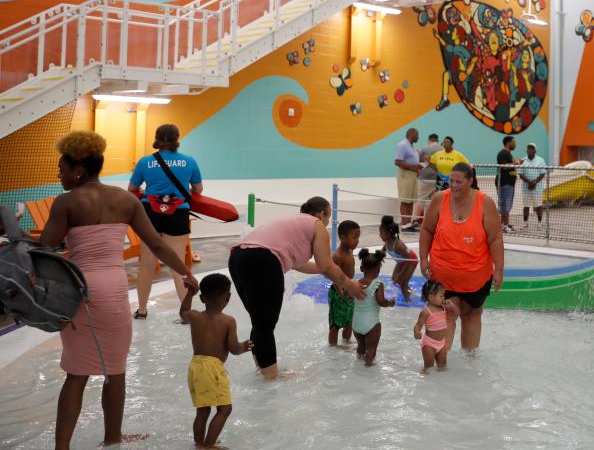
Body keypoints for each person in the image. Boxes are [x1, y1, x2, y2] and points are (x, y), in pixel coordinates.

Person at [40, 130, 198, 450]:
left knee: (76, 373)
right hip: (114, 290)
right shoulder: (126, 200)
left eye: (63, 169)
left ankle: (62, 447)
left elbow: (45, 249)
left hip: (79, 290)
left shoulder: (66, 202)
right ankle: (112, 438)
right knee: (116, 369)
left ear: (79, 170)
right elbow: (156, 243)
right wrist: (185, 273)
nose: (60, 174)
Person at [228, 197, 365, 379]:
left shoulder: (294, 222)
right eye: (328, 217)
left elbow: (301, 264)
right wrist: (350, 284)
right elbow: (326, 266)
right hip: (262, 260)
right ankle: (271, 377)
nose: (326, 223)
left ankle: (263, 369)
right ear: (322, 214)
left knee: (260, 321)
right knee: (265, 324)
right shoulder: (317, 226)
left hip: (238, 258)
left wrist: (332, 275)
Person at [419, 162, 504, 352]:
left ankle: (470, 361)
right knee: (445, 314)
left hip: (476, 276)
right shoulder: (439, 199)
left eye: (459, 182)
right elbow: (426, 230)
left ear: (470, 182)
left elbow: (495, 239)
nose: (454, 185)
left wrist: (498, 270)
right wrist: (423, 258)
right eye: (452, 181)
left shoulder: (485, 203)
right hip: (443, 275)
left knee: (472, 314)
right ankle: (443, 362)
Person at [128, 124, 203, 320]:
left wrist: (149, 191)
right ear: (177, 139)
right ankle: (185, 312)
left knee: (147, 264)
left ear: (157, 138)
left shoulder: (145, 162)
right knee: (178, 265)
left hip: (149, 214)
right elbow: (198, 190)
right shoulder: (189, 161)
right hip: (177, 213)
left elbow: (132, 188)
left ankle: (142, 310)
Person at [179, 273, 252, 448]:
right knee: (225, 409)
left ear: (203, 298)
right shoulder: (228, 321)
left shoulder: (195, 316)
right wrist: (244, 346)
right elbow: (233, 349)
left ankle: (199, 443)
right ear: (227, 297)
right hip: (213, 369)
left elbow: (182, 313)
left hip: (195, 366)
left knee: (203, 410)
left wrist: (190, 293)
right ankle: (208, 445)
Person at [352, 249, 395, 366]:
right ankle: (368, 373)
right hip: (371, 324)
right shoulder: (378, 284)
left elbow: (349, 297)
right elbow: (381, 301)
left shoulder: (355, 283)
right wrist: (390, 302)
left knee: (361, 348)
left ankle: (358, 368)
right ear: (379, 270)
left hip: (356, 323)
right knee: (371, 351)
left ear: (361, 269)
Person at [414, 279, 459, 373]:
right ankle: (424, 383)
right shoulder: (426, 311)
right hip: (429, 344)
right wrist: (417, 332)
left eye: (444, 295)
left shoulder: (444, 308)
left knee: (442, 367)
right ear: (431, 297)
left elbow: (456, 315)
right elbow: (418, 325)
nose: (444, 298)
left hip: (442, 344)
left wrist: (452, 307)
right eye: (441, 296)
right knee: (429, 368)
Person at [329, 220, 360, 347]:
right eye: (354, 237)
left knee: (349, 320)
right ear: (342, 238)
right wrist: (341, 293)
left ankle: (346, 343)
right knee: (335, 323)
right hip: (338, 291)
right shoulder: (338, 256)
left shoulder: (349, 251)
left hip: (348, 289)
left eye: (358, 237)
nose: (357, 240)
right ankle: (333, 345)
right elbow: (334, 276)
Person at [378, 215, 417, 302]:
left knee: (403, 282)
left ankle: (409, 302)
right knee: (394, 281)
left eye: (381, 233)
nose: (380, 235)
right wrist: (377, 260)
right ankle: (409, 292)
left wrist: (401, 274)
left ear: (389, 234)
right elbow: (382, 252)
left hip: (411, 261)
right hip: (401, 262)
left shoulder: (398, 245)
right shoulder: (387, 242)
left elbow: (408, 259)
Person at [394, 128, 422, 230]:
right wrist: (415, 167)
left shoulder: (411, 146)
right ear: (411, 134)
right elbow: (398, 162)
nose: (418, 137)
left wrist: (417, 168)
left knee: (410, 200)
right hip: (405, 175)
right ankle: (404, 223)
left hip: (412, 175)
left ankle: (408, 223)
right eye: (417, 135)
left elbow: (411, 161)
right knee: (405, 200)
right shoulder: (402, 145)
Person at [413, 133, 441, 228]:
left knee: (420, 199)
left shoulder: (424, 149)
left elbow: (416, 161)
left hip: (424, 178)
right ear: (437, 140)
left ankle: (415, 221)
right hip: (437, 179)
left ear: (429, 140)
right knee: (434, 201)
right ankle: (431, 222)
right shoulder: (443, 150)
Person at [519, 143, 547, 226]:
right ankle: (525, 223)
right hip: (525, 188)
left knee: (538, 206)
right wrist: (529, 182)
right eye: (528, 148)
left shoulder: (541, 160)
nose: (529, 150)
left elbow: (542, 173)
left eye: (531, 148)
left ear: (535, 150)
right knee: (526, 206)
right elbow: (520, 174)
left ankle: (539, 222)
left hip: (537, 188)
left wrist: (535, 182)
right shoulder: (523, 160)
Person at [496, 136, 519, 233]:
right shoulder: (503, 153)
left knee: (507, 205)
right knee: (505, 204)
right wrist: (515, 164)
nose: (515, 144)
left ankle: (505, 224)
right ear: (509, 142)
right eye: (514, 142)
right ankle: (504, 226)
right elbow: (504, 167)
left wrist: (516, 162)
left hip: (510, 183)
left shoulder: (508, 154)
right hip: (504, 183)